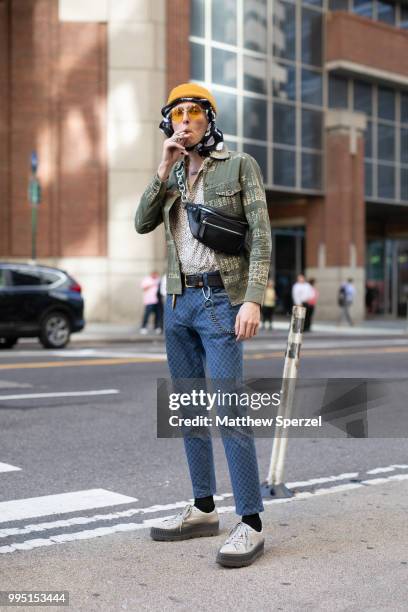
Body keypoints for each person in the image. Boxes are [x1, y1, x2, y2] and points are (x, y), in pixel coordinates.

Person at [135, 82, 272, 567]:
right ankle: (203, 507)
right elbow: (140, 222)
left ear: (209, 119)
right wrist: (162, 169)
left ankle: (251, 522)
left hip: (220, 300)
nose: (185, 121)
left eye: (194, 112)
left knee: (229, 409)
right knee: (189, 410)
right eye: (177, 115)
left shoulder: (239, 166)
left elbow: (261, 236)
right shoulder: (170, 174)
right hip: (177, 302)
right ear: (168, 124)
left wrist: (252, 299)